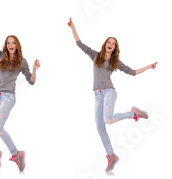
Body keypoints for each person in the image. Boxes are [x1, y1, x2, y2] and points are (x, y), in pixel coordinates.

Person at [67, 18, 157, 172]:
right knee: (100, 128)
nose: (111, 44)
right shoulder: (95, 55)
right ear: (105, 44)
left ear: (115, 48)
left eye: (113, 43)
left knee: (108, 119)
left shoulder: (116, 62)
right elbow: (79, 43)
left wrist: (149, 66)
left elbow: (132, 72)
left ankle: (133, 113)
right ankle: (111, 156)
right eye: (109, 41)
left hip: (109, 91)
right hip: (97, 95)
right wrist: (72, 27)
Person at [0, 13, 40, 172]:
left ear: (17, 45)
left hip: (8, 98)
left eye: (13, 43)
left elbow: (31, 81)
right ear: (6, 45)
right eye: (8, 43)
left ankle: (16, 154)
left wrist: (34, 70)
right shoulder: (1, 56)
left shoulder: (22, 61)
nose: (10, 45)